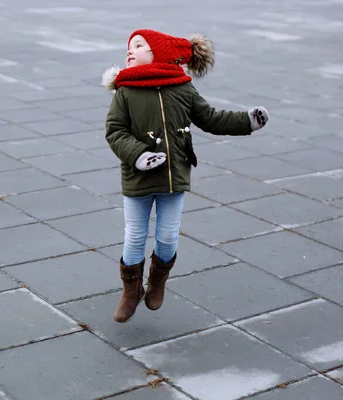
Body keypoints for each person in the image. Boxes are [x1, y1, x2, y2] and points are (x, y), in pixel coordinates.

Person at [102, 29, 269, 323]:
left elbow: (211, 118)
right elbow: (115, 132)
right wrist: (139, 155)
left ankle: (156, 282)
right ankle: (131, 292)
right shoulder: (125, 91)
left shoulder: (182, 88)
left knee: (167, 236)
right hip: (137, 178)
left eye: (138, 45)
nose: (130, 50)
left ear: (158, 53)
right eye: (128, 47)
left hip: (172, 176)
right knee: (135, 237)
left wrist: (247, 121)